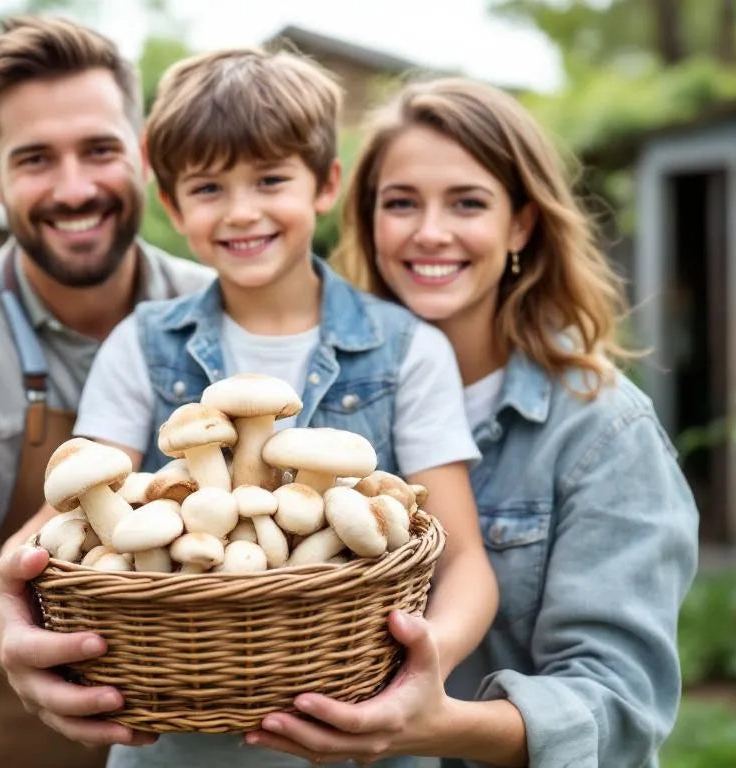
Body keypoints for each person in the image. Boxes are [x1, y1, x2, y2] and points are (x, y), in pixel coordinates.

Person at [52, 48, 500, 768]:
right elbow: (74, 517)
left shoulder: (406, 347)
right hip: (177, 746)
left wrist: (424, 668)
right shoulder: (140, 345)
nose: (242, 212)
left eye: (270, 179)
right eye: (207, 188)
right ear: (170, 203)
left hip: (368, 748)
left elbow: (464, 557)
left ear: (325, 185)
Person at [246, 77, 699, 767]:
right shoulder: (312, 406)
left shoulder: (601, 432)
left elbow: (622, 708)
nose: (431, 232)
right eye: (401, 203)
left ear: (520, 223)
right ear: (368, 220)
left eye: (467, 203)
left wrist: (438, 725)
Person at [0, 16, 212, 768]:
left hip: (206, 740)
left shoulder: (224, 315)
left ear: (143, 155)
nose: (74, 188)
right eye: (36, 160)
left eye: (99, 150)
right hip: (3, 738)